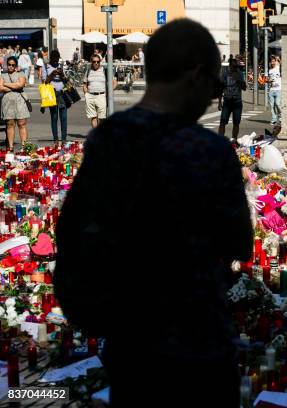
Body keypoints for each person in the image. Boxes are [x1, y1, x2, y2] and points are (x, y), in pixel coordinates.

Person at [54, 19, 252, 408]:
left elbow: (72, 228)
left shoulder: (107, 139)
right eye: (215, 86)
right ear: (196, 76)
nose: (214, 96)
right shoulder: (206, 150)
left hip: (131, 344)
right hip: (199, 343)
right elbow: (240, 243)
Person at [0, 56, 29, 151]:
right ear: (6, 65)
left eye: (13, 65)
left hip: (19, 100)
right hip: (7, 101)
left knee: (22, 123)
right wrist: (14, 86)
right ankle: (11, 146)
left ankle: (24, 147)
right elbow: (0, 88)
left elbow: (20, 84)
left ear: (16, 65)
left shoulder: (21, 73)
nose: (11, 67)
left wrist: (5, 84)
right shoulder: (3, 75)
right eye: (9, 65)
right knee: (10, 124)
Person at [41, 50, 68, 146]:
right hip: (51, 95)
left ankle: (64, 139)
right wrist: (52, 74)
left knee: (64, 117)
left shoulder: (60, 67)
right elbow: (44, 82)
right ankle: (56, 139)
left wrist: (62, 75)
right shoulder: (45, 67)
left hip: (61, 94)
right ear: (51, 59)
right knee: (54, 117)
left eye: (57, 60)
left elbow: (66, 81)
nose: (56, 62)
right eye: (54, 60)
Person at [83, 54, 117, 128]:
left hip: (101, 96)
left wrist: (109, 91)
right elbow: (85, 84)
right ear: (91, 62)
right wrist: (86, 94)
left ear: (100, 62)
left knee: (102, 118)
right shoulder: (88, 71)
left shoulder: (104, 71)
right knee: (93, 117)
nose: (96, 63)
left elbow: (114, 83)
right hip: (90, 96)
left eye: (98, 62)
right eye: (94, 61)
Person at [218, 58, 246, 142]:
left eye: (236, 66)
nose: (235, 68)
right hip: (227, 102)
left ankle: (234, 140)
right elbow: (220, 88)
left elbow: (244, 88)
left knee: (236, 123)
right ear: (230, 66)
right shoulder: (225, 74)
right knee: (223, 122)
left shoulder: (240, 74)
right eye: (233, 66)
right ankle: (220, 140)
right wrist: (219, 102)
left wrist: (238, 80)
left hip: (237, 102)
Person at [267, 55, 281, 126]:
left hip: (278, 90)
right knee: (272, 106)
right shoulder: (270, 70)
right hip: (271, 90)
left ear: (276, 62)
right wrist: (269, 80)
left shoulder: (278, 67)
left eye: (273, 61)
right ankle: (274, 119)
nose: (272, 62)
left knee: (278, 104)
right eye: (271, 61)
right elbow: (268, 79)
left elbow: (279, 61)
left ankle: (281, 117)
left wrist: (276, 58)